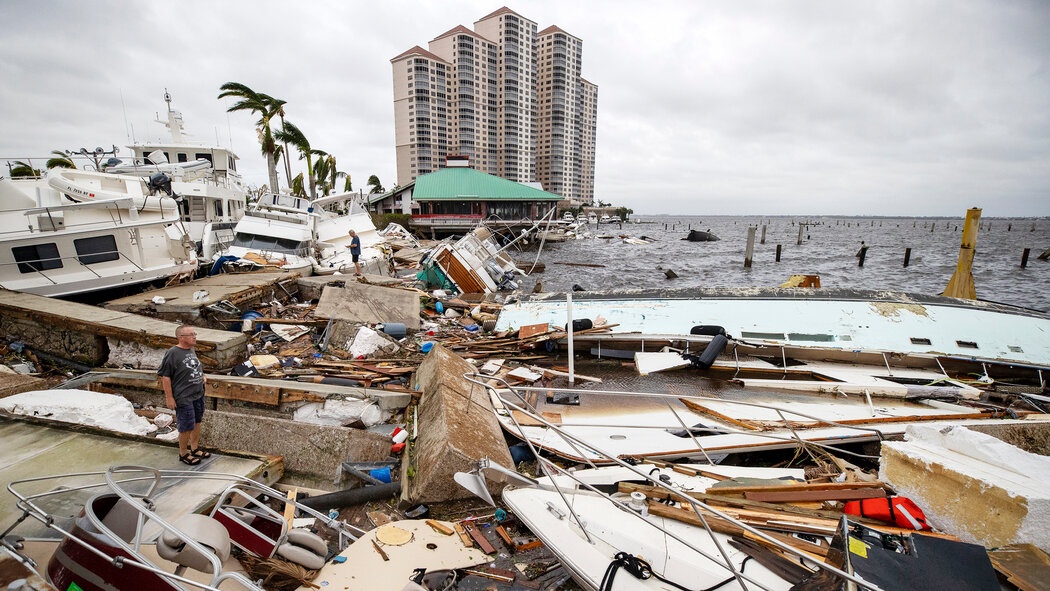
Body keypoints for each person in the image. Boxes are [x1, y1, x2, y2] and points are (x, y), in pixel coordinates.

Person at [158, 324, 210, 465]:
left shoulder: (191, 349)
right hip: (183, 396)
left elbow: (194, 365)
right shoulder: (172, 353)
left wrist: (202, 376)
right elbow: (166, 377)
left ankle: (194, 448)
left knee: (197, 421)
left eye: (195, 334)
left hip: (198, 393)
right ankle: (183, 453)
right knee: (186, 426)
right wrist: (169, 397)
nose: (195, 337)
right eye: (191, 335)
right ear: (181, 337)